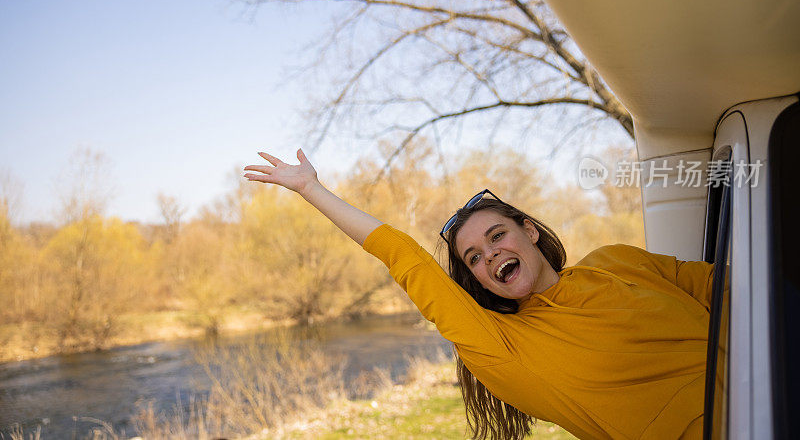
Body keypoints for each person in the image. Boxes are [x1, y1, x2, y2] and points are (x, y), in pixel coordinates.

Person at [244, 149, 712, 440]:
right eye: (472, 257)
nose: (488, 255)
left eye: (497, 236)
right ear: (479, 281)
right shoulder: (505, 348)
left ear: (528, 231)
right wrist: (311, 189)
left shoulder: (618, 260)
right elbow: (406, 259)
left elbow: (732, 286)